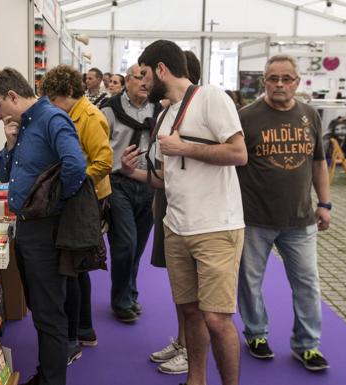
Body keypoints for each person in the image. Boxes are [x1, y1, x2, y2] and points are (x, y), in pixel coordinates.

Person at [122, 40, 247, 385]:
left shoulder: (211, 97)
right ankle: (196, 379)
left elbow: (239, 153)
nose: (142, 82)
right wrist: (130, 170)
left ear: (161, 69)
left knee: (217, 319)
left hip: (216, 227)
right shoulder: (165, 115)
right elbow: (165, 177)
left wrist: (184, 148)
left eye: (144, 74)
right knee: (190, 312)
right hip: (177, 227)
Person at [0, 68, 86, 385]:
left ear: (14, 96)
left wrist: (53, 204)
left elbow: (76, 166)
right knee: (40, 308)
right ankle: (46, 374)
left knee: (49, 312)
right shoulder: (23, 125)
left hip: (45, 228)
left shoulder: (52, 119)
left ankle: (52, 380)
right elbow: (4, 174)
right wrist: (10, 143)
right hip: (28, 229)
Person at [236, 54, 331, 371]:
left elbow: (319, 162)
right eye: (273, 78)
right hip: (254, 219)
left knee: (308, 284)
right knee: (249, 283)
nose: (279, 84)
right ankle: (256, 334)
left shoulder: (309, 116)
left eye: (286, 78)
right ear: (265, 81)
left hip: (300, 220)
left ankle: (308, 345)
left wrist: (325, 203)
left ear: (297, 81)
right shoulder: (245, 117)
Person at [39, 64, 113, 364]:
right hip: (80, 196)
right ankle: (84, 329)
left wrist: (75, 185)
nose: (51, 106)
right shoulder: (70, 114)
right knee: (78, 267)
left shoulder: (91, 117)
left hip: (87, 199)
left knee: (72, 268)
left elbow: (104, 161)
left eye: (55, 99)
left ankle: (76, 336)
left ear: (69, 92)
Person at [148, 49, 202, 376]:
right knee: (179, 285)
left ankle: (190, 349)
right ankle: (182, 342)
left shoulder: (202, 110)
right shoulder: (165, 114)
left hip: (194, 214)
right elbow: (162, 171)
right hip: (170, 207)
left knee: (193, 293)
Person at [100, 64, 160, 323]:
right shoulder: (109, 110)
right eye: (140, 78)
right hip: (119, 183)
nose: (145, 83)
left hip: (149, 184)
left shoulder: (159, 110)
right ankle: (121, 301)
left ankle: (130, 294)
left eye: (149, 79)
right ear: (127, 80)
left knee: (138, 246)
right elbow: (99, 149)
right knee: (125, 243)